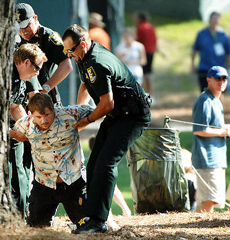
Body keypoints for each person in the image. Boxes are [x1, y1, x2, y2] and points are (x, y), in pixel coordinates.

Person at [62, 24, 151, 234]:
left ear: (82, 44)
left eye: (71, 50)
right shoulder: (84, 57)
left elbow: (107, 103)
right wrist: (80, 111)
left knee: (107, 163)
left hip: (133, 116)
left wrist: (86, 121)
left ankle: (99, 220)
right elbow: (86, 85)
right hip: (117, 114)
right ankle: (89, 217)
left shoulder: (97, 62)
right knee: (93, 165)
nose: (69, 55)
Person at [10, 93, 94, 227]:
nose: (44, 120)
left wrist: (84, 123)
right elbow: (12, 132)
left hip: (74, 181)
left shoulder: (70, 113)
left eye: (47, 115)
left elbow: (98, 110)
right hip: (44, 183)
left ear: (53, 109)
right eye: (39, 117)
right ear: (31, 114)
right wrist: (13, 134)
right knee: (36, 228)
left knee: (86, 226)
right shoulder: (25, 124)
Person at [191, 66, 230, 213]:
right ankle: (201, 233)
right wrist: (222, 131)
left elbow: (211, 126)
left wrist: (225, 128)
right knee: (209, 200)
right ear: (208, 80)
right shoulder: (205, 101)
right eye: (217, 78)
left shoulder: (216, 100)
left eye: (224, 79)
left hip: (216, 159)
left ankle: (195, 232)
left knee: (207, 200)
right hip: (207, 159)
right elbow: (199, 130)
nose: (221, 82)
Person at [9, 43, 47, 217]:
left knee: (20, 172)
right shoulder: (6, 75)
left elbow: (15, 107)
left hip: (10, 129)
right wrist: (12, 133)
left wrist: (30, 129)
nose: (37, 73)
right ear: (25, 62)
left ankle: (22, 216)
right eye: (37, 67)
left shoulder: (20, 80)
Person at [16, 3, 73, 106]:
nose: (23, 31)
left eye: (25, 25)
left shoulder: (49, 37)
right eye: (19, 27)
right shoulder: (16, 38)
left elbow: (67, 66)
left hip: (44, 97)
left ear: (35, 18)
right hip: (21, 98)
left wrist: (45, 88)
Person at [191, 12, 230, 92]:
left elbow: (229, 52)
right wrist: (192, 65)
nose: (215, 21)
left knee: (219, 93)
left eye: (217, 19)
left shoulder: (223, 35)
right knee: (204, 93)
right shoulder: (201, 34)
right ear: (209, 20)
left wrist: (229, 67)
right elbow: (194, 50)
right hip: (204, 69)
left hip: (219, 70)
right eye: (213, 19)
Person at [133, 11, 157, 94]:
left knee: (143, 74)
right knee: (148, 74)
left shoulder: (140, 28)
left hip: (143, 53)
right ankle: (150, 93)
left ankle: (143, 94)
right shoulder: (151, 27)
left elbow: (138, 40)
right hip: (151, 52)